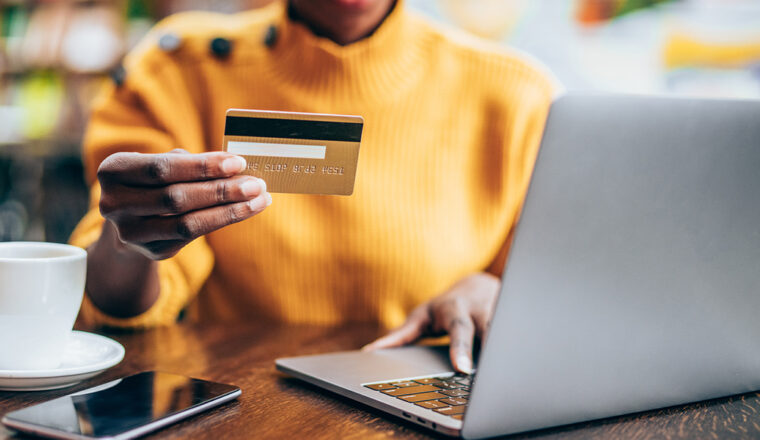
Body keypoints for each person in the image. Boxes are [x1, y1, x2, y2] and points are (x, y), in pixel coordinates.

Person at [70, 0, 559, 373]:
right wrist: (128, 242)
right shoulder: (178, 69)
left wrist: (497, 291)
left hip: (427, 406)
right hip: (236, 409)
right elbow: (113, 300)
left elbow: (556, 300)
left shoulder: (517, 97)